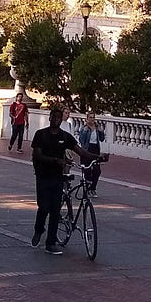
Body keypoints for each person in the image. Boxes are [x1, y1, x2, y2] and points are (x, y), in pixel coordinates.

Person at [30, 105, 94, 255]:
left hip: (58, 178)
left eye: (59, 118)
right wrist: (55, 161)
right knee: (44, 207)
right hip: (43, 177)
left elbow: (80, 151)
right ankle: (39, 230)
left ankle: (51, 242)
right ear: (50, 118)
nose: (56, 120)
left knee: (55, 210)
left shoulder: (65, 136)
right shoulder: (41, 134)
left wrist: (97, 158)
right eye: (54, 117)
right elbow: (37, 155)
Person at [76, 111, 105, 195]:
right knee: (87, 170)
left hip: (95, 149)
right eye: (90, 117)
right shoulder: (84, 128)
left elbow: (102, 139)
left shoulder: (96, 127)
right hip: (87, 149)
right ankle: (87, 187)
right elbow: (81, 141)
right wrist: (84, 132)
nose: (92, 119)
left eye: (93, 117)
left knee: (97, 171)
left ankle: (93, 187)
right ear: (87, 119)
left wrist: (101, 131)